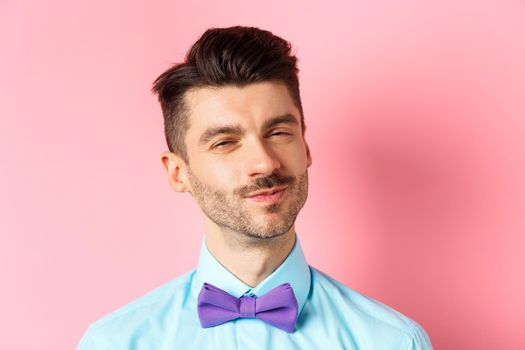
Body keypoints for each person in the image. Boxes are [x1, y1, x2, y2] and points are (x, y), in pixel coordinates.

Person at [77, 26, 433, 349]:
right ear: (177, 172)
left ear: (305, 148)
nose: (264, 162)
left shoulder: (394, 342)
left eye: (278, 133)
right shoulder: (114, 343)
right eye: (225, 143)